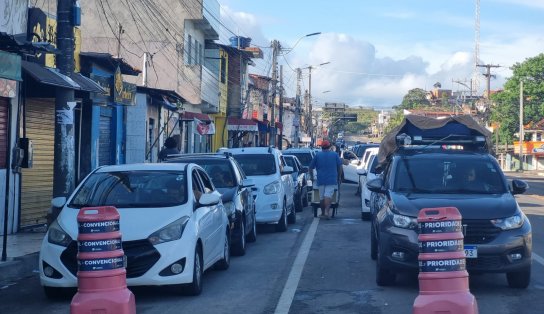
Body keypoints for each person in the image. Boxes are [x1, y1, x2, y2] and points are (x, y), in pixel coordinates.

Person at [309, 139, 343, 219]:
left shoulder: (317, 155)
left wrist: (311, 177)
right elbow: (340, 167)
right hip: (332, 179)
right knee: (328, 195)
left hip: (321, 179)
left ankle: (323, 213)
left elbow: (310, 168)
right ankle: (327, 213)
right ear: (329, 147)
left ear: (321, 147)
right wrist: (339, 176)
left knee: (321, 197)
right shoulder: (335, 155)